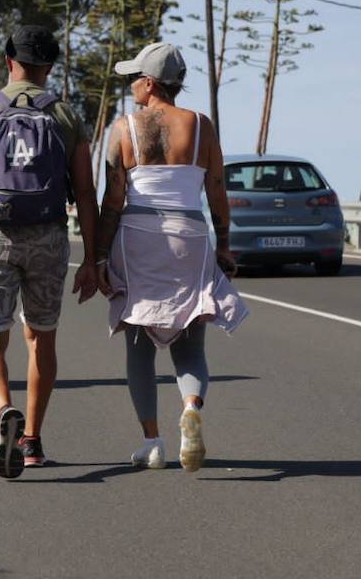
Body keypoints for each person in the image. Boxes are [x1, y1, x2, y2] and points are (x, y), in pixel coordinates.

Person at [0, 25, 100, 479]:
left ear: (8, 60)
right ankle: (31, 440)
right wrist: (92, 259)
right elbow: (87, 194)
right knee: (41, 337)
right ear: (48, 66)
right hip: (49, 237)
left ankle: (2, 411)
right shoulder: (66, 116)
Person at [94, 42, 248, 472]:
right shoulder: (201, 126)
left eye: (133, 80)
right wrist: (223, 245)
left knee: (139, 345)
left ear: (149, 82)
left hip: (139, 236)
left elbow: (113, 201)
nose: (130, 88)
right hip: (189, 235)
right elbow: (216, 190)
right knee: (190, 342)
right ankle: (191, 407)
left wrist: (101, 256)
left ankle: (153, 442)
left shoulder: (124, 129)